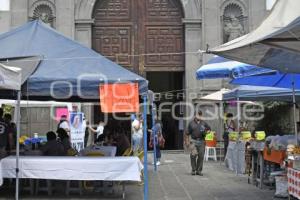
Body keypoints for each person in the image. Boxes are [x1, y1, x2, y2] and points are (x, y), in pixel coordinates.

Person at [185, 110, 211, 176]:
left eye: (200, 114)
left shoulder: (204, 123)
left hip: (202, 141)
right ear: (195, 115)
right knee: (193, 155)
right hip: (193, 141)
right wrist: (187, 141)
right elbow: (187, 133)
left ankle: (199, 170)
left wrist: (207, 132)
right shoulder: (191, 123)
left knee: (201, 156)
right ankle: (193, 170)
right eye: (197, 115)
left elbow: (209, 129)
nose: (199, 116)